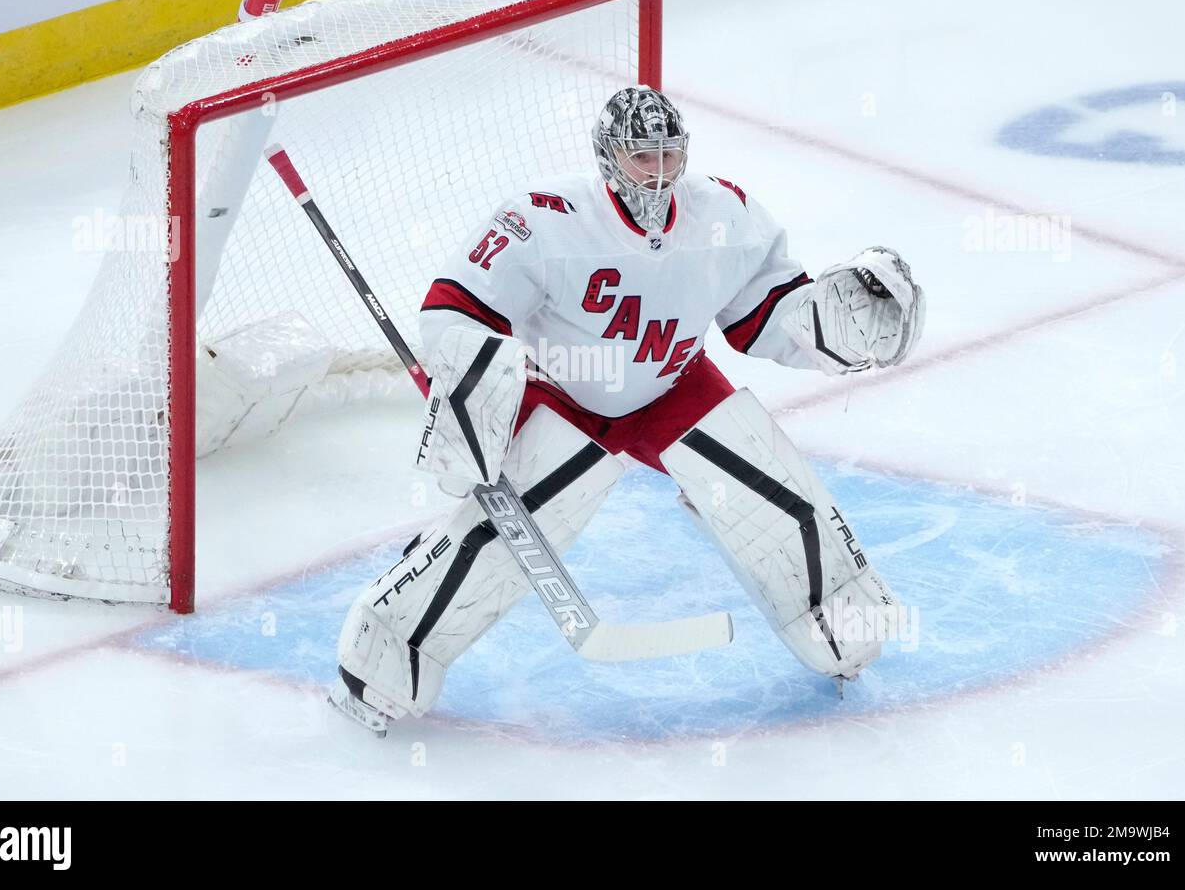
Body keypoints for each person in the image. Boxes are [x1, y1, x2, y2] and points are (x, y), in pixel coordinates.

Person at [331, 85, 925, 736]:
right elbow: (454, 310)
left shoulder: (724, 215)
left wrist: (829, 325)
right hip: (567, 398)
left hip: (674, 385)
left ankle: (842, 627)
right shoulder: (545, 220)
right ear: (609, 154)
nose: (662, 171)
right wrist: (476, 396)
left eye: (673, 154)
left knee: (777, 500)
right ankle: (386, 654)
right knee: (501, 542)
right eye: (645, 155)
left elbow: (763, 317)